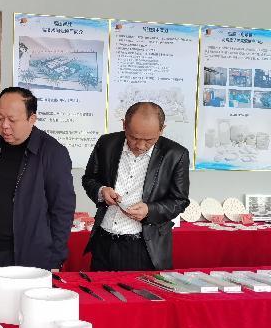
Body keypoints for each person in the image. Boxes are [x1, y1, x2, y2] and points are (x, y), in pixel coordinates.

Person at [0, 87, 75, 273]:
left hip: (26, 258)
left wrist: (55, 260)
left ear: (32, 119)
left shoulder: (52, 152)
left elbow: (62, 210)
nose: (4, 126)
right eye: (0, 118)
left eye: (12, 120)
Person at [81, 101, 190, 271]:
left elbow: (180, 201)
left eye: (149, 140)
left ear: (161, 130)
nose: (140, 146)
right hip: (103, 240)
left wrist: (150, 210)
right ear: (124, 125)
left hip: (144, 247)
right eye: (133, 137)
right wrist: (102, 191)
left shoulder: (176, 154)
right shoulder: (107, 143)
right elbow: (89, 179)